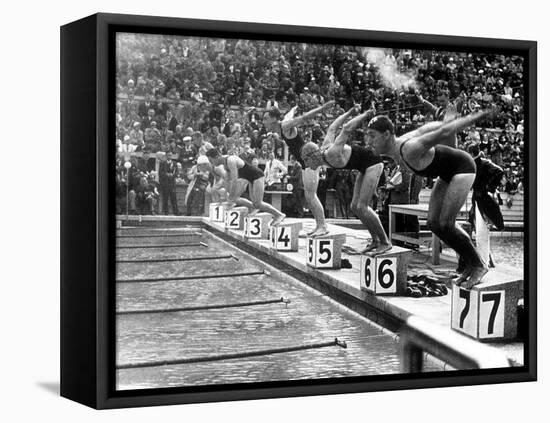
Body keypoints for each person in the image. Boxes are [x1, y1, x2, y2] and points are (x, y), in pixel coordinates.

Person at [366, 109, 495, 287]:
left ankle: (479, 264)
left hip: (463, 168)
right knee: (434, 223)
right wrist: (444, 122)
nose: (368, 141)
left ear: (387, 135)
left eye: (372, 136)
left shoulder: (408, 148)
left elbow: (443, 132)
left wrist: (479, 115)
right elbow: (427, 128)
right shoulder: (401, 145)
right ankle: (470, 262)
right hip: (446, 173)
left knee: (446, 223)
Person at [301, 107, 391, 254]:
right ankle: (375, 240)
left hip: (373, 163)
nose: (307, 166)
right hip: (363, 166)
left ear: (313, 156)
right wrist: (349, 112)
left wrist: (365, 114)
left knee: (362, 206)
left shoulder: (332, 152)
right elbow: (332, 127)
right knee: (354, 207)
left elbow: (347, 128)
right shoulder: (323, 149)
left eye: (306, 161)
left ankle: (385, 241)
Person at [262, 100, 335, 237]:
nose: (263, 122)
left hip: (309, 160)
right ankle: (319, 225)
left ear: (273, 119)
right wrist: (294, 108)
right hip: (304, 161)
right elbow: (290, 114)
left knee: (311, 196)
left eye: (266, 119)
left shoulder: (285, 125)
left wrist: (322, 108)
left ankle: (323, 226)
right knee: (309, 197)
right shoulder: (282, 125)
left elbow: (304, 118)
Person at [205, 148, 286, 225]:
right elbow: (227, 180)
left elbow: (234, 180)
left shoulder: (230, 160)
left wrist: (231, 197)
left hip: (257, 176)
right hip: (250, 179)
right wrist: (227, 195)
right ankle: (255, 209)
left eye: (211, 160)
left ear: (216, 157)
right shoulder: (224, 164)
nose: (211, 163)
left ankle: (279, 214)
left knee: (258, 203)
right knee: (254, 204)